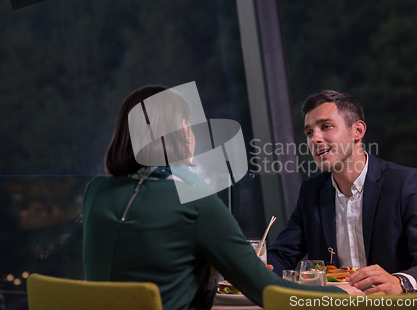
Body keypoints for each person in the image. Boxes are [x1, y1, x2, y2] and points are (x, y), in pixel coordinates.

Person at [82, 85, 359, 310]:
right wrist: (340, 294)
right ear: (182, 131)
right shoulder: (195, 202)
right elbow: (269, 292)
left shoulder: (96, 192)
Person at [267, 90, 417, 294]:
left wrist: (399, 282)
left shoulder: (405, 183)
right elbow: (281, 256)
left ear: (358, 131)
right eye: (309, 132)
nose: (315, 138)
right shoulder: (312, 191)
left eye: (326, 126)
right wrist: (260, 266)